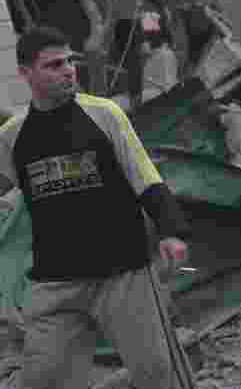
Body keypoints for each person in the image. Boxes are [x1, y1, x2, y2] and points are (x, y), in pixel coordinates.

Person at [0, 26, 194, 388]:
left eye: (70, 61)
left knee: (157, 373)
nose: (68, 70)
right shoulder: (13, 135)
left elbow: (145, 176)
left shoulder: (104, 115)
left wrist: (170, 231)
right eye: (53, 65)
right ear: (26, 74)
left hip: (122, 274)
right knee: (43, 379)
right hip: (56, 282)